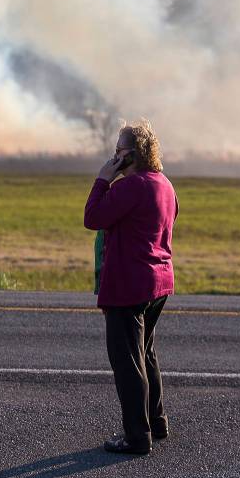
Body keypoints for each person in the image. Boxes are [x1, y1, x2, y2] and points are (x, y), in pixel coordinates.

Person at [83, 118, 178, 455]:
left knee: (127, 362)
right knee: (146, 353)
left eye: (118, 150)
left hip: (128, 284)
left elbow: (92, 218)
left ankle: (137, 436)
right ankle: (157, 420)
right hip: (159, 282)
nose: (113, 156)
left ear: (131, 155)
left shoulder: (129, 186)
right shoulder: (164, 184)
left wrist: (102, 180)